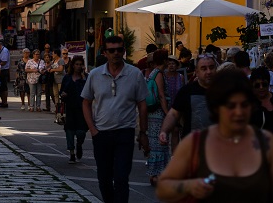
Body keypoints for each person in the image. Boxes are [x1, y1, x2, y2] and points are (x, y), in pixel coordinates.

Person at [156, 69, 273, 203]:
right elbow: (163, 188)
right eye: (231, 105)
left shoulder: (266, 141)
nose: (239, 112)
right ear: (216, 108)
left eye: (244, 104)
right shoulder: (196, 143)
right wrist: (190, 186)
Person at [82, 35, 149, 203]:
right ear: (105, 53)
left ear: (124, 51)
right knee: (104, 179)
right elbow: (86, 102)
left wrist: (143, 132)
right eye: (112, 50)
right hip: (102, 133)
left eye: (119, 49)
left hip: (124, 133)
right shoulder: (95, 75)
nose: (116, 53)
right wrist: (93, 130)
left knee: (121, 177)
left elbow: (142, 104)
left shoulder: (134, 74)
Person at [159, 53, 218, 145]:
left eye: (211, 67)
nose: (208, 71)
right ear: (197, 72)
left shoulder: (225, 91)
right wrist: (164, 131)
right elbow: (174, 114)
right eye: (204, 68)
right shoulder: (187, 91)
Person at [145, 49, 171, 185]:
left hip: (152, 113)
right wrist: (168, 113)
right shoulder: (159, 74)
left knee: (155, 143)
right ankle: (156, 175)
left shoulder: (152, 73)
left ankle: (155, 173)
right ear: (164, 60)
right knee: (159, 143)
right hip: (158, 113)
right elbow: (161, 95)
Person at [61, 55, 89, 162]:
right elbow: (62, 90)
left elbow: (89, 91)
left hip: (83, 108)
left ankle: (79, 144)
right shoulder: (67, 77)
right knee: (70, 131)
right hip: (70, 107)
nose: (78, 66)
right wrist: (62, 94)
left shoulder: (86, 78)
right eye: (76, 64)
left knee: (81, 132)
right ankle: (72, 152)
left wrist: (82, 77)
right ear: (72, 65)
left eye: (80, 64)